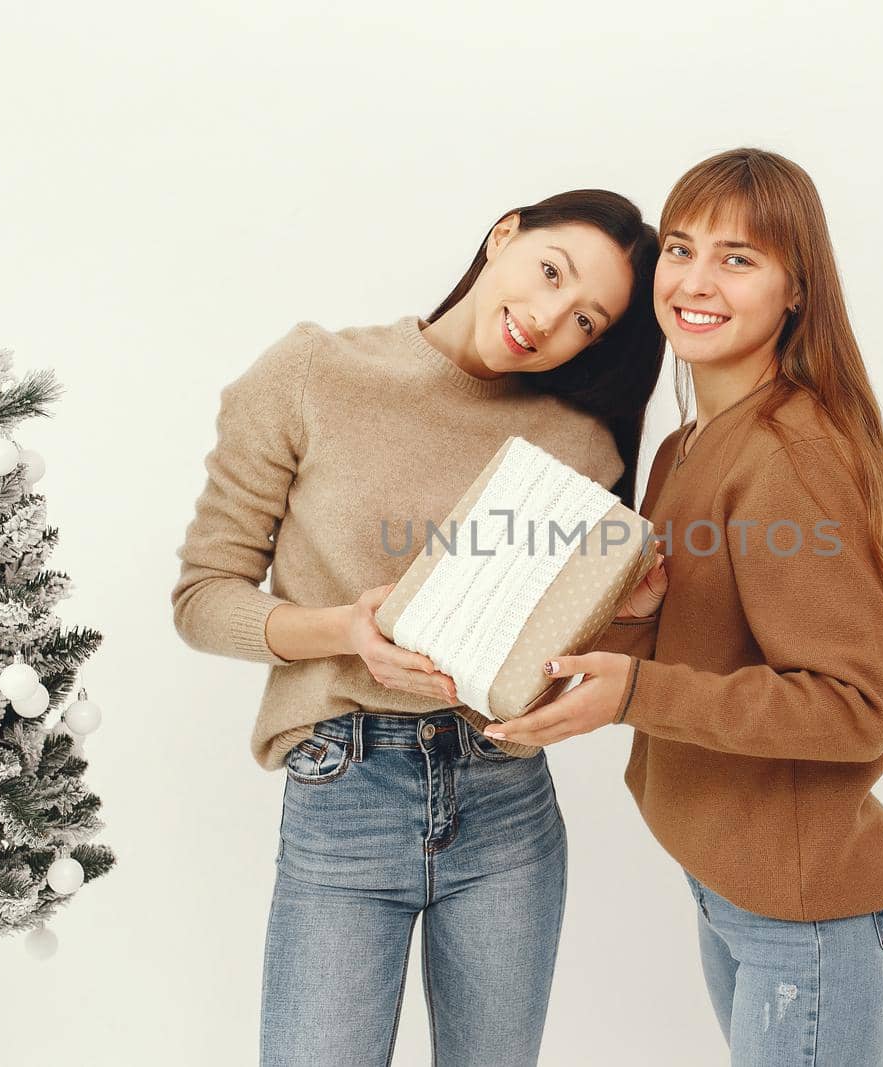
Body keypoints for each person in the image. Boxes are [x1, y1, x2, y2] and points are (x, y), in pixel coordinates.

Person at [169, 189, 663, 1066]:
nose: (548, 317)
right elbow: (204, 597)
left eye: (586, 319)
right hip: (343, 789)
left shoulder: (583, 445)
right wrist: (343, 631)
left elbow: (557, 659)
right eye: (550, 272)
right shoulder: (313, 371)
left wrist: (631, 612)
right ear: (503, 234)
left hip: (507, 805)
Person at [487, 149, 883, 1066]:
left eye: (738, 259)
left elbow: (856, 709)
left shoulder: (790, 457)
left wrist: (633, 690)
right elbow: (704, 648)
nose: (694, 281)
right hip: (736, 890)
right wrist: (624, 632)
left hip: (810, 926)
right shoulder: (689, 446)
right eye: (682, 248)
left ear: (797, 288)